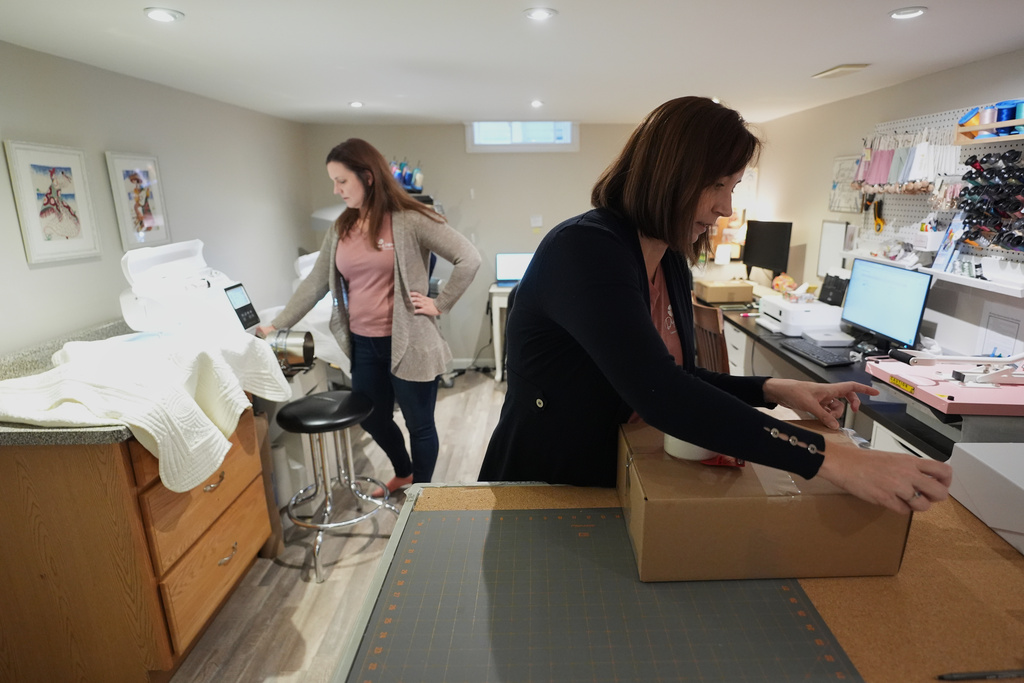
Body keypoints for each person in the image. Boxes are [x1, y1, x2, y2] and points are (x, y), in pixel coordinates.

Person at [477, 97, 951, 514]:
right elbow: (661, 393)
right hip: (545, 491)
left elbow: (669, 374)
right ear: (669, 177)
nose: (726, 207)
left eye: (734, 187)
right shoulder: (584, 250)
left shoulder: (670, 261)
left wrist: (774, 389)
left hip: (615, 481)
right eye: (718, 185)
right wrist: (836, 460)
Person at [260, 138, 481, 497]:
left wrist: (441, 303)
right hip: (364, 345)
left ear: (368, 177)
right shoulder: (341, 228)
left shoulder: (410, 220)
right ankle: (404, 473)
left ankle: (421, 499)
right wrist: (277, 325)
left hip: (409, 342)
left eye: (342, 181)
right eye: (334, 181)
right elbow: (316, 282)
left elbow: (469, 258)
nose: (336, 189)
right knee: (374, 418)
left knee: (419, 424)